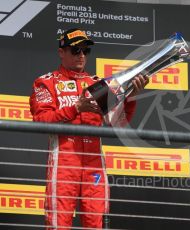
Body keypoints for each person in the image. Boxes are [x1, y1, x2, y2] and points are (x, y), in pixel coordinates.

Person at [29, 28, 148, 229]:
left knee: (95, 224)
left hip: (94, 165)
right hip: (64, 164)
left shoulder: (99, 85)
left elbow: (117, 123)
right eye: (75, 50)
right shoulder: (46, 82)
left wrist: (131, 97)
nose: (81, 55)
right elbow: (41, 120)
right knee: (59, 224)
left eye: (85, 51)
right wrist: (75, 108)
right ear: (61, 52)